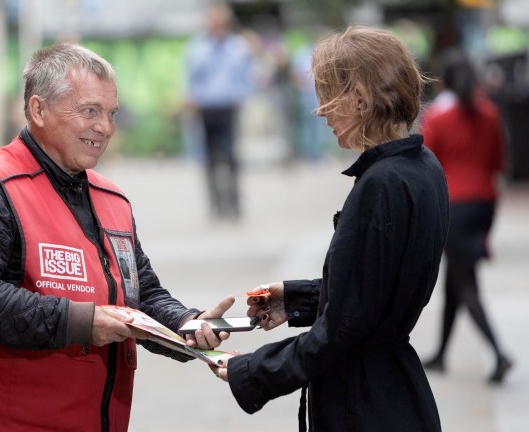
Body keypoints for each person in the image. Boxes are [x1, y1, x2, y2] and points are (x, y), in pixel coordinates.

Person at [0, 43, 234, 431]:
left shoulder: (111, 198)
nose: (106, 127)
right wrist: (80, 322)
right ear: (38, 110)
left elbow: (138, 291)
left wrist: (185, 325)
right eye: (89, 111)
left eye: (111, 113)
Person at [210, 26, 450, 432]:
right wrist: (298, 298)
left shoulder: (382, 183)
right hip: (395, 391)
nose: (320, 112)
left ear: (359, 97)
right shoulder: (422, 166)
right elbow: (372, 292)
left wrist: (252, 369)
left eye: (328, 96)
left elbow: (345, 326)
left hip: (363, 402)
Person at [421, 53, 513, 384]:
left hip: (454, 205)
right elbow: (499, 161)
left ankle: (499, 353)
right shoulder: (490, 113)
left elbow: (426, 163)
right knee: (456, 280)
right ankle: (442, 354)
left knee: (465, 282)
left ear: (444, 81)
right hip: (484, 204)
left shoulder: (438, 117)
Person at [185, 3, 253, 221]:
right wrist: (191, 97)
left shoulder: (237, 46)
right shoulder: (198, 46)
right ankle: (216, 205)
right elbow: (191, 77)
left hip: (228, 107)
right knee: (209, 159)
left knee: (231, 157)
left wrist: (241, 96)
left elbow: (245, 75)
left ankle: (234, 204)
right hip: (206, 108)